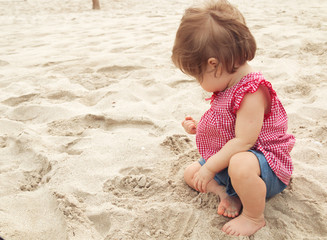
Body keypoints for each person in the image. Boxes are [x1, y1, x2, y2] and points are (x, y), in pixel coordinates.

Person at [171, 0, 295, 236]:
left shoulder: (253, 92)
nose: (200, 83)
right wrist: (201, 127)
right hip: (234, 163)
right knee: (191, 173)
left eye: (198, 76)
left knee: (237, 163)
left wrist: (209, 169)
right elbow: (228, 125)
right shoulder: (228, 81)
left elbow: (244, 141)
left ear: (213, 65)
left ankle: (253, 215)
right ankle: (227, 195)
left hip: (263, 165)